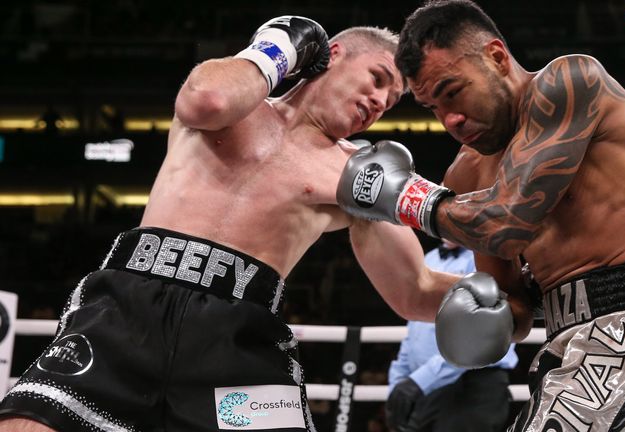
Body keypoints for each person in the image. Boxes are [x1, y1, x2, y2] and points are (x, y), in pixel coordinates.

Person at [0, 16, 460, 432]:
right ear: (334, 55)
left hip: (238, 339)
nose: (380, 101)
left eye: (393, 98)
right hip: (127, 310)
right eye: (377, 78)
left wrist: (522, 299)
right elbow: (208, 99)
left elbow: (412, 290)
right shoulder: (235, 102)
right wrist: (279, 49)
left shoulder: (358, 174)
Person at [336, 0, 625, 431]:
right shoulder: (466, 172)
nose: (451, 119)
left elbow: (507, 223)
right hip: (565, 343)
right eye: (433, 108)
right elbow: (512, 302)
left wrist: (408, 197)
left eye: (452, 92)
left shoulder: (571, 83)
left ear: (496, 57)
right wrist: (488, 321)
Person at [386, 240, 518, 432]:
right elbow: (415, 327)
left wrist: (419, 381)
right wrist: (399, 384)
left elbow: (481, 335)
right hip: (425, 388)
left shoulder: (489, 259)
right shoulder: (428, 259)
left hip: (471, 387)